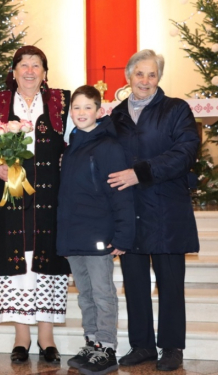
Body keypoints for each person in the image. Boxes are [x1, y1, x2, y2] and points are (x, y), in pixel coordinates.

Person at [0, 45, 71, 364]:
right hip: (10, 200)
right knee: (17, 264)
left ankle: (47, 338)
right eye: (23, 65)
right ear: (13, 71)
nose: (30, 71)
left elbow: (75, 143)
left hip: (50, 201)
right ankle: (21, 338)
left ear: (45, 73)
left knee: (46, 263)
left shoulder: (61, 103)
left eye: (36, 65)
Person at [107, 49, 200, 372]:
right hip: (129, 211)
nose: (145, 81)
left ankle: (172, 347)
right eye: (139, 74)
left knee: (170, 283)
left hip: (166, 209)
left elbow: (185, 152)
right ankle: (142, 345)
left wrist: (139, 172)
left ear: (158, 78)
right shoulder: (115, 115)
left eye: (152, 75)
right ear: (128, 76)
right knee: (134, 282)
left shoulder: (176, 109)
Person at [57, 85, 135, 375]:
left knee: (102, 292)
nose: (81, 113)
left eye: (87, 107)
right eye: (76, 108)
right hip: (74, 234)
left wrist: (123, 235)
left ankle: (107, 346)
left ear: (99, 111)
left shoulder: (109, 147)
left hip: (99, 233)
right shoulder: (73, 145)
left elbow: (121, 195)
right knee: (85, 293)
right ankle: (92, 342)